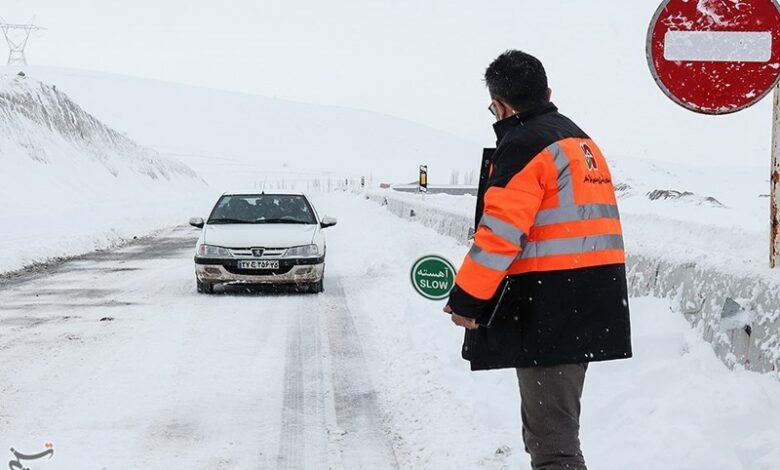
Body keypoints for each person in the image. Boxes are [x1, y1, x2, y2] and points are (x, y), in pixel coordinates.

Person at [444, 50, 632, 470]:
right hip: (587, 302)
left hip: (550, 312)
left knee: (553, 447)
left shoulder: (524, 145)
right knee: (555, 434)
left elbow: (500, 235)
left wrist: (467, 302)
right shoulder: (579, 140)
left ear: (500, 106)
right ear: (547, 92)